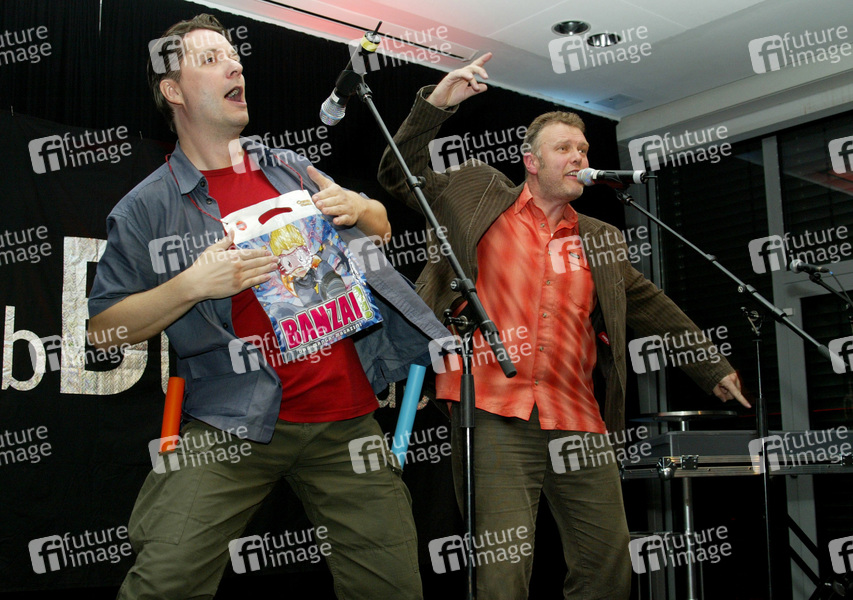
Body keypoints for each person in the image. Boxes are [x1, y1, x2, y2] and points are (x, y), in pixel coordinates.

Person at [88, 14, 450, 600]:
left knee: (393, 587)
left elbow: (380, 227)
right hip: (235, 418)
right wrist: (192, 284)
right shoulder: (145, 207)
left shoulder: (286, 167)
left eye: (235, 57)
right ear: (173, 91)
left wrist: (359, 206)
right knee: (164, 581)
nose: (235, 67)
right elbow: (102, 332)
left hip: (346, 419)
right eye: (211, 60)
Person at [377, 52, 751, 599]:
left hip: (577, 414)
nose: (579, 157)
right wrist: (436, 104)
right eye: (564, 148)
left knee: (609, 566)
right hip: (493, 409)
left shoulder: (600, 238)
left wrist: (710, 365)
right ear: (531, 161)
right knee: (502, 573)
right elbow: (398, 171)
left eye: (584, 149)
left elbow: (649, 303)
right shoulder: (477, 195)